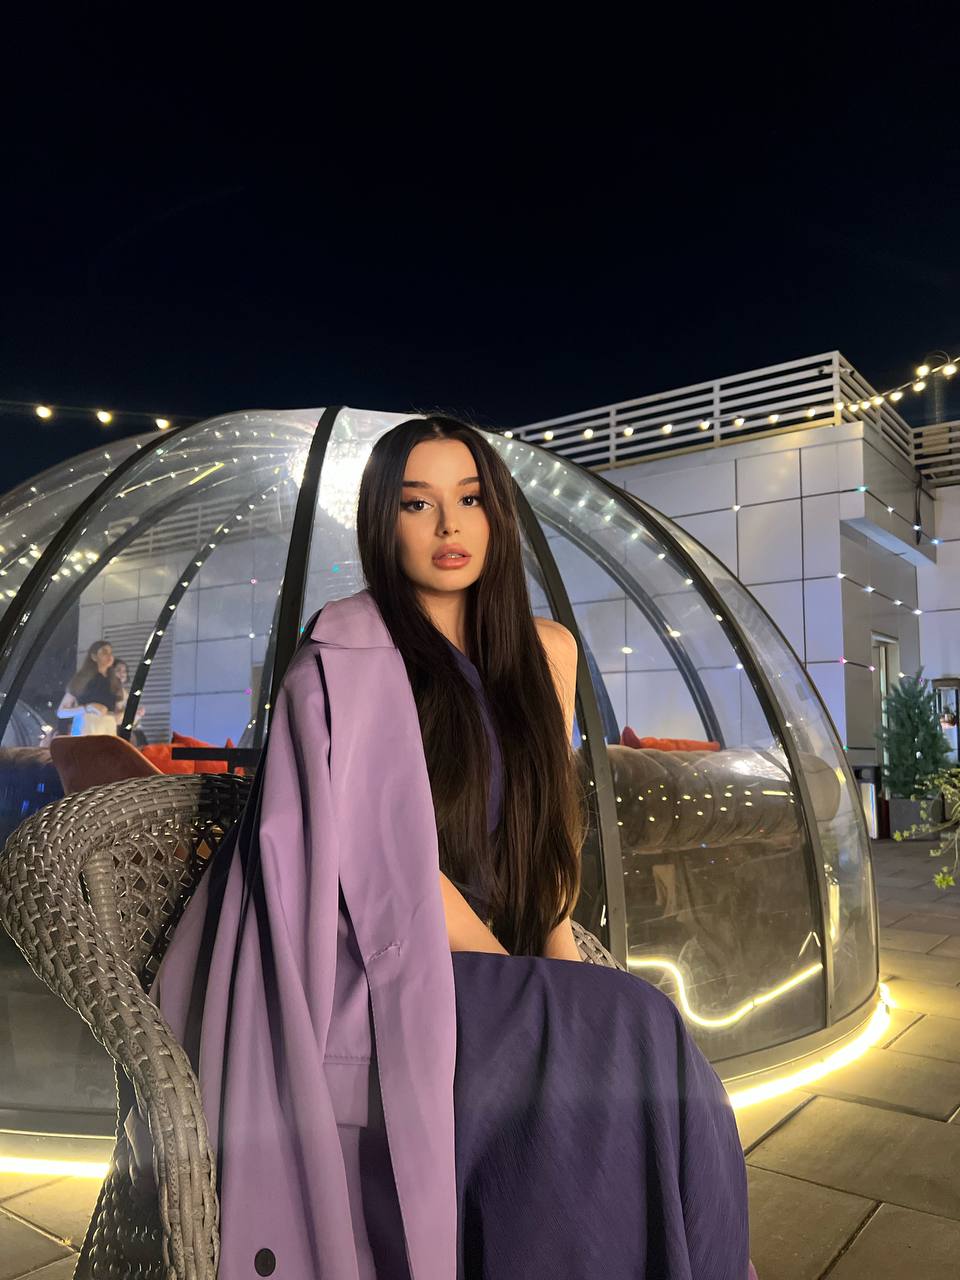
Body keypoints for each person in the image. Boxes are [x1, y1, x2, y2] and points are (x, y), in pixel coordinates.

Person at [143, 415, 756, 1279]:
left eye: (468, 500)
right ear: (381, 522)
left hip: (500, 959)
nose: (447, 527)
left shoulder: (547, 653)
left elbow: (548, 834)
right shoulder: (347, 657)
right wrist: (540, 993)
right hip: (380, 963)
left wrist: (557, 968)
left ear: (496, 515)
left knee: (637, 1040)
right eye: (416, 503)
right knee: (627, 1026)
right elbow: (378, 866)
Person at [57, 639, 123, 736]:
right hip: (85, 729)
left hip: (107, 731)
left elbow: (119, 714)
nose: (109, 656)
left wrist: (123, 715)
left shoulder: (115, 682)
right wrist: (86, 708)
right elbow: (61, 712)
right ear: (94, 657)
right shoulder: (81, 679)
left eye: (111, 653)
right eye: (104, 653)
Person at [110, 658, 148, 743]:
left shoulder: (125, 693)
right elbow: (114, 718)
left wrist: (137, 715)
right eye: (118, 670)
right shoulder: (108, 691)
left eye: (124, 671)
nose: (122, 674)